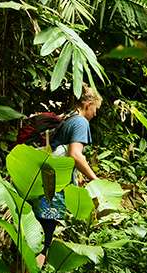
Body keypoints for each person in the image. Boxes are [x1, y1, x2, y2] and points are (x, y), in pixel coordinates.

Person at [34, 84, 102, 259]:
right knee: (44, 239)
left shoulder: (68, 118)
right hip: (54, 189)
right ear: (88, 105)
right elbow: (75, 154)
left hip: (44, 184)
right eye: (96, 109)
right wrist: (95, 179)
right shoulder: (80, 122)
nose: (95, 113)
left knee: (37, 236)